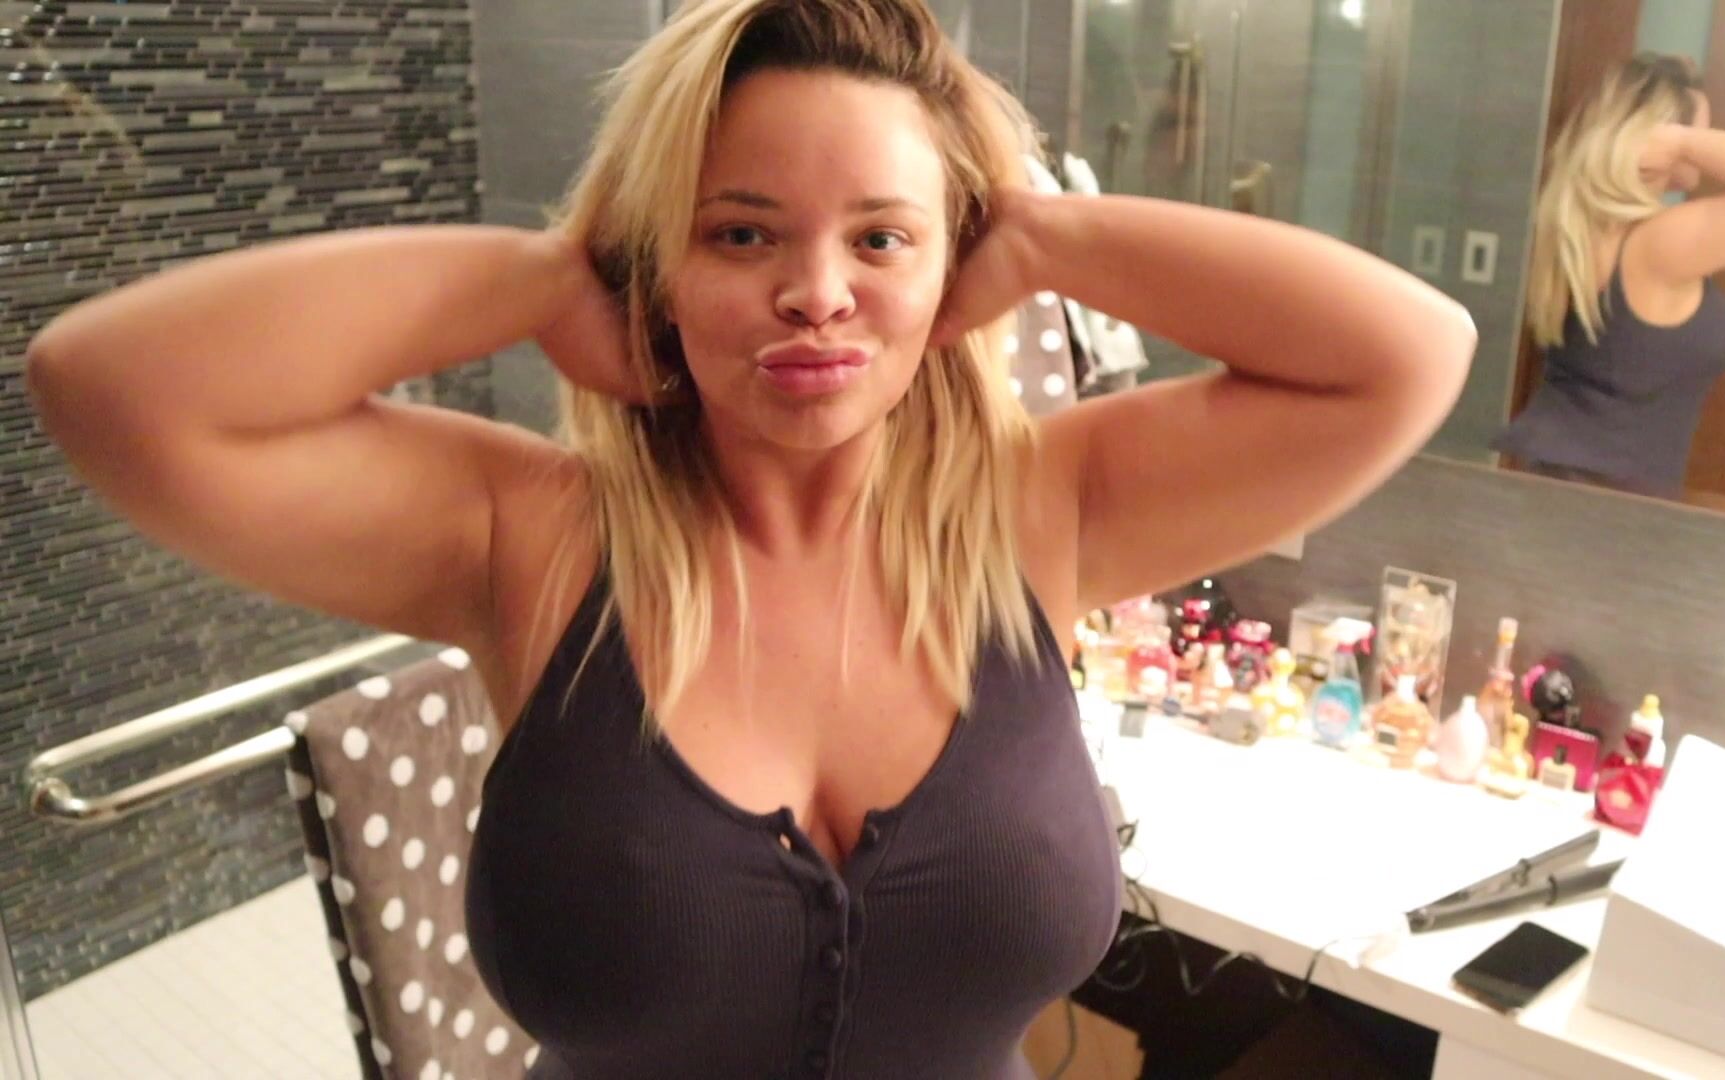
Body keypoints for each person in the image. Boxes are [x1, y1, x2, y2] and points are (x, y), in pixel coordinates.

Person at [24, 0, 1472, 1074]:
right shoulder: (524, 536)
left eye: (881, 238)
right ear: (653, 264)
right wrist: (538, 282)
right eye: (740, 233)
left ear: (952, 262)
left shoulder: (1043, 510)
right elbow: (116, 391)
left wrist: (1042, 236)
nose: (817, 292)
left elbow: (1407, 355)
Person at [1497, 53, 1725, 497]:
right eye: (1700, 130)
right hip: (1605, 496)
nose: (1707, 144)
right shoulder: (1653, 243)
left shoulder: (1580, 226)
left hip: (1562, 480)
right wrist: (1681, 142)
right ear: (1660, 132)